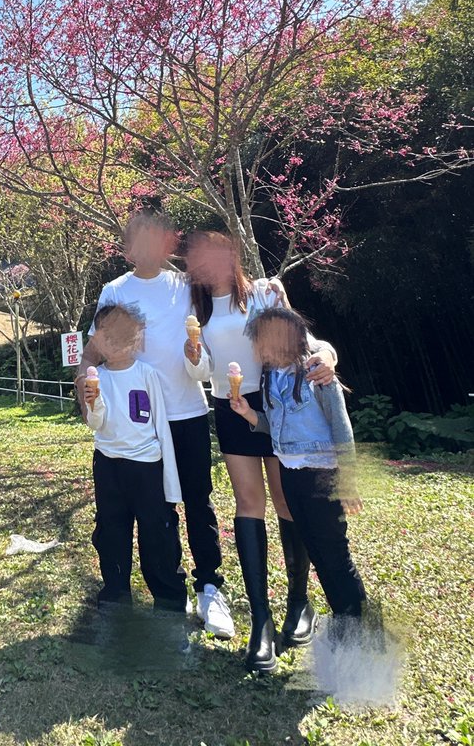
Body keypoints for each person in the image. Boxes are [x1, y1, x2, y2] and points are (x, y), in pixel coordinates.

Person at [181, 230, 338, 670]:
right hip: (231, 408)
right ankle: (261, 622)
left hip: (277, 402)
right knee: (249, 504)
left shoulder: (266, 292)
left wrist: (329, 356)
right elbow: (203, 371)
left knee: (286, 501)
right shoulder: (197, 310)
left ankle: (299, 603)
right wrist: (193, 355)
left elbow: (306, 343)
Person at [76, 210, 234, 637]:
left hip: (186, 413)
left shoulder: (188, 287)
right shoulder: (115, 290)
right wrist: (86, 390)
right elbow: (93, 353)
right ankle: (161, 591)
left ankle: (210, 588)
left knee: (198, 502)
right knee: (153, 510)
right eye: (138, 239)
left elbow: (216, 334)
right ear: (127, 248)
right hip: (138, 428)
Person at [231, 307, 367, 642]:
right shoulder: (271, 378)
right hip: (290, 474)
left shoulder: (317, 374)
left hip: (322, 474)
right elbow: (274, 426)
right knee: (316, 551)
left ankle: (358, 625)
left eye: (262, 341)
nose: (258, 350)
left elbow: (341, 428)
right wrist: (249, 414)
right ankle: (343, 620)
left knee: (334, 552)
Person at [84, 303, 188, 612]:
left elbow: (161, 426)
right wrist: (94, 402)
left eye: (120, 336)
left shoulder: (147, 374)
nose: (111, 343)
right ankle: (115, 592)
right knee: (111, 528)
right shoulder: (97, 377)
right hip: (107, 463)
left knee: (157, 529)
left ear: (135, 339)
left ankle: (168, 597)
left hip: (147, 465)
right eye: (105, 336)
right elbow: (96, 423)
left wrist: (170, 480)